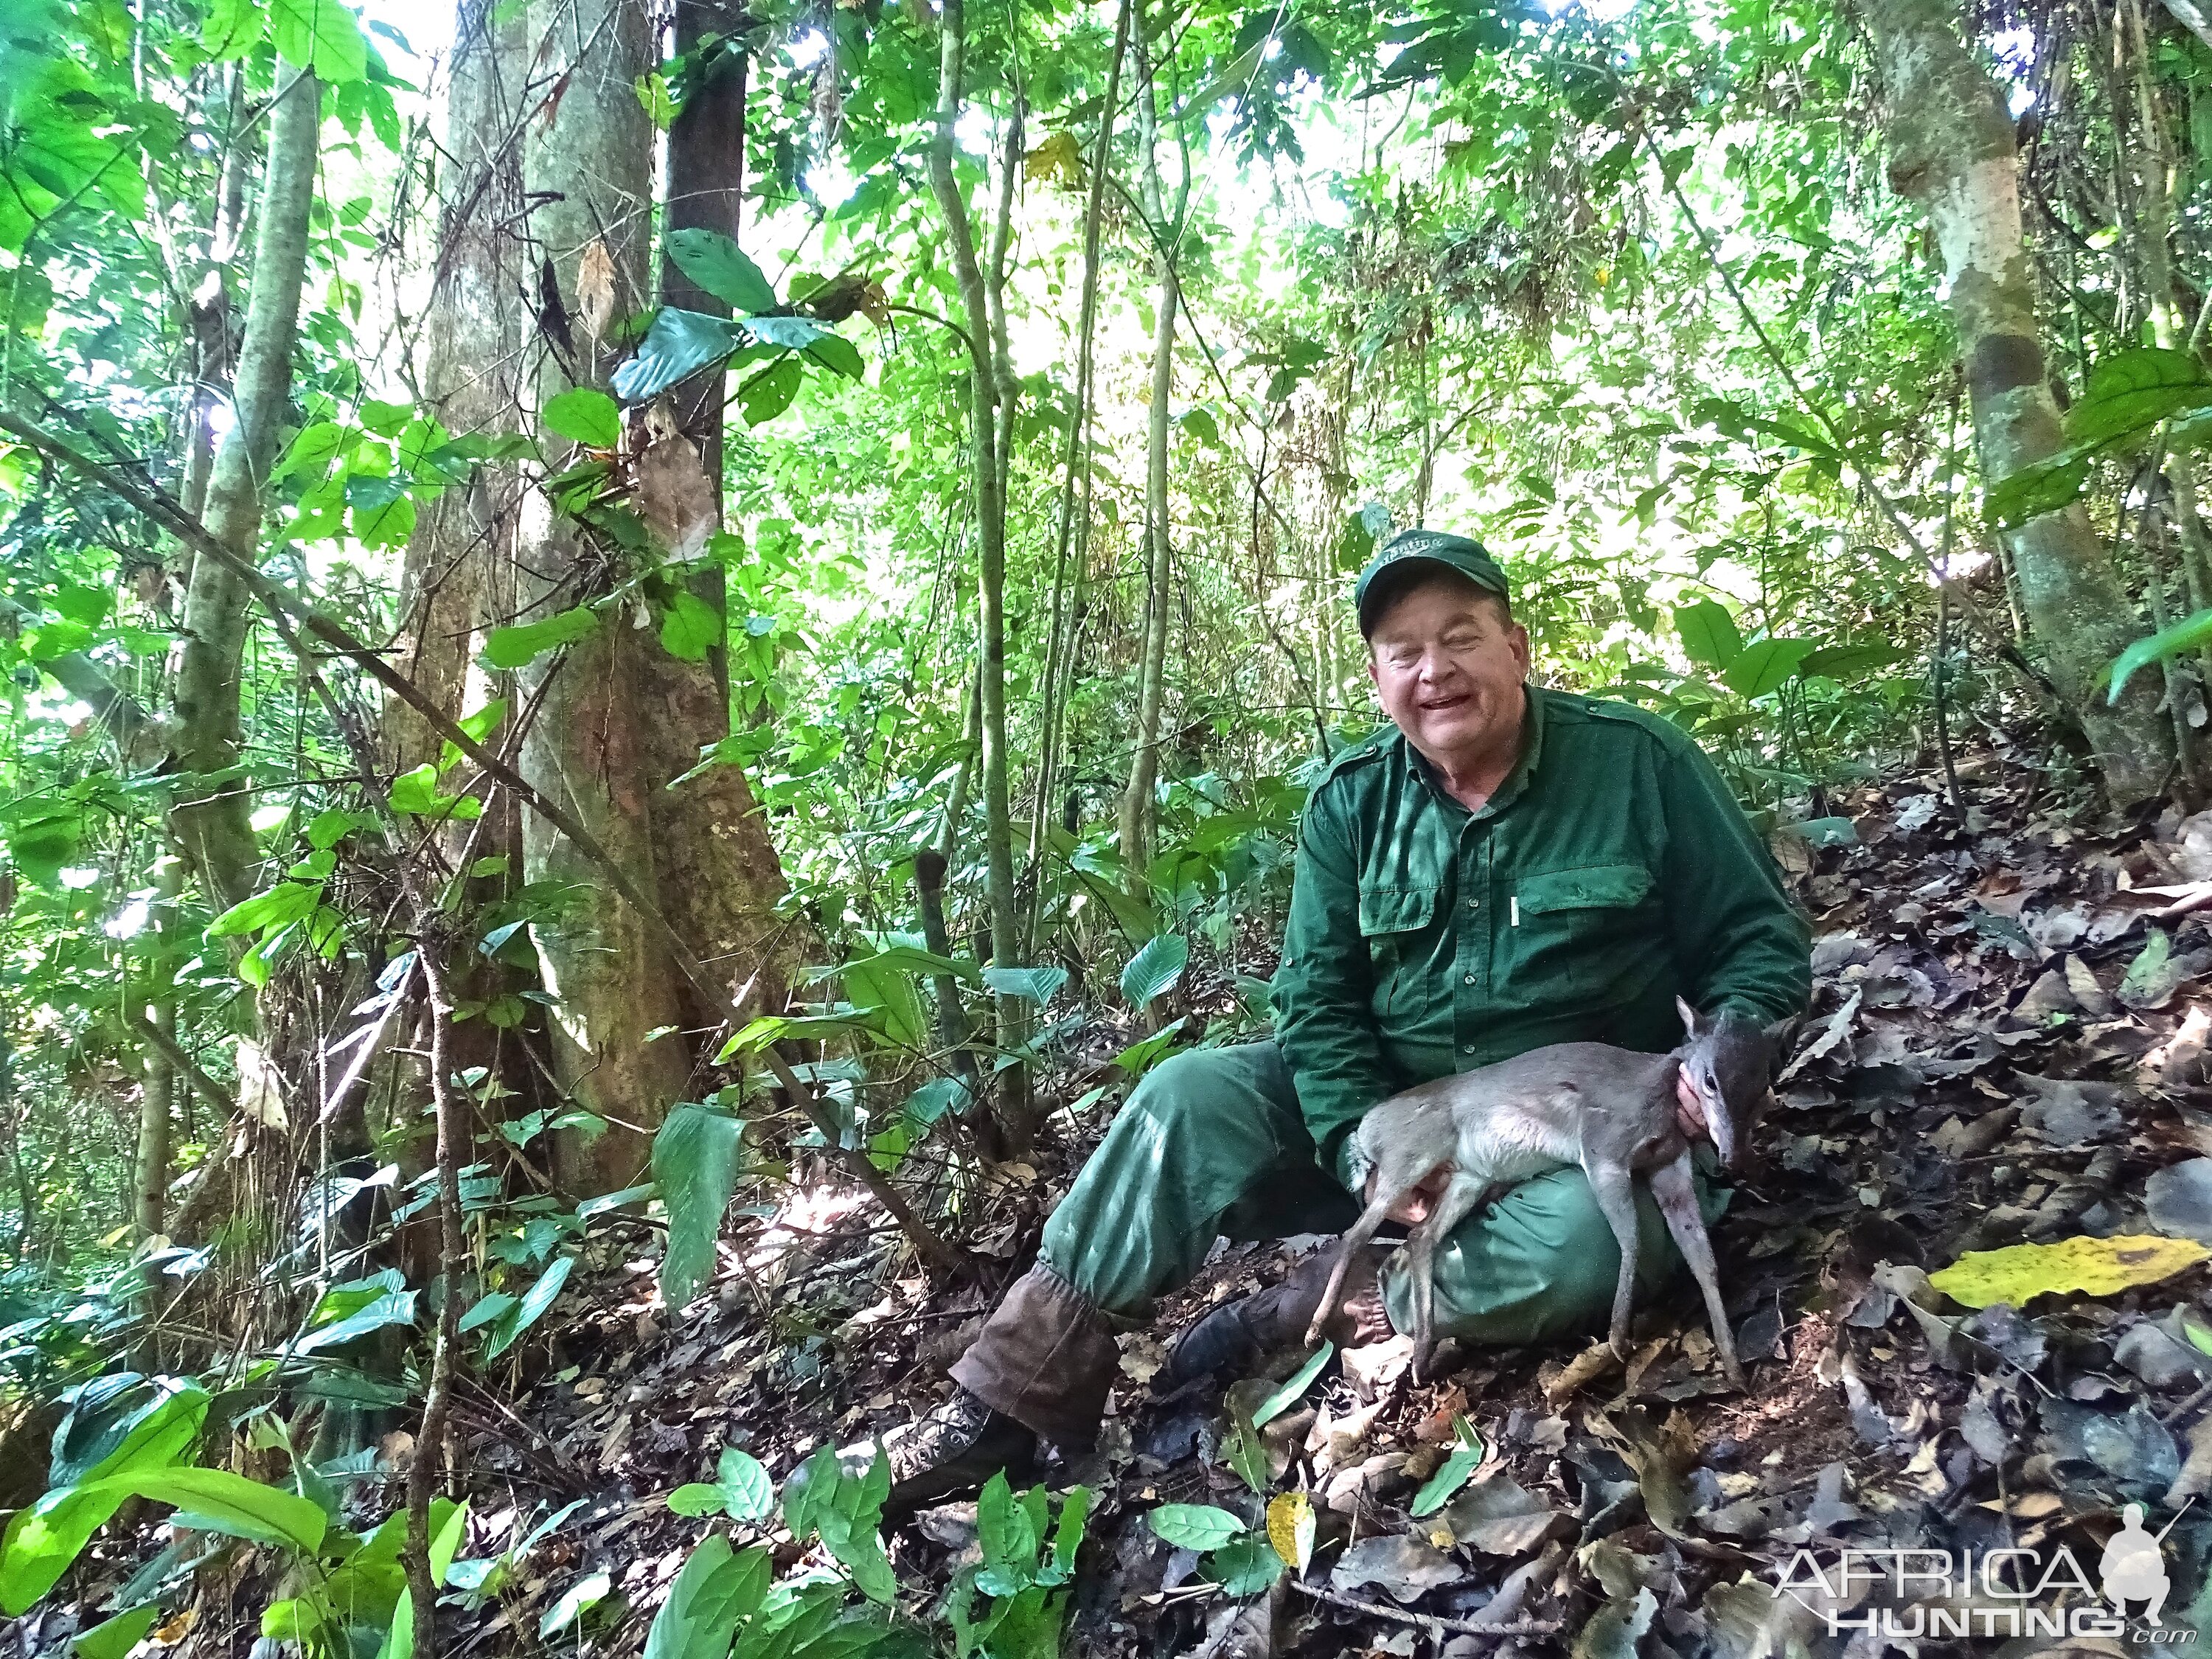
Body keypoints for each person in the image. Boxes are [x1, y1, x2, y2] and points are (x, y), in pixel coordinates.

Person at [885, 529, 1812, 1514]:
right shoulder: (1352, 803)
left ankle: (1313, 1302)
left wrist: (1718, 1054)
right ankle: (1004, 1408)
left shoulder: (1640, 765)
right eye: (1404, 652)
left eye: (1460, 638)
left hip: (1578, 1136)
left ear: (1518, 647)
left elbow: (1760, 944)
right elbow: (1315, 1002)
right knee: (1184, 1096)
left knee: (1589, 1245)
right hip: (1405, 1114)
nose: (1435, 671)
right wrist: (1357, 1147)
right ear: (1378, 680)